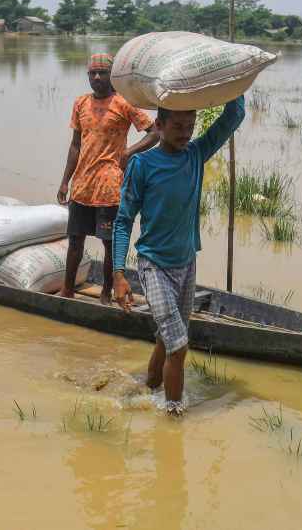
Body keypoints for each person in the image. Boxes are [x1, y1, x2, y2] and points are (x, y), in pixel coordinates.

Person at [111, 96, 246, 416]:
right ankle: (173, 416)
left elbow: (233, 117)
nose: (186, 134)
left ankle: (150, 388)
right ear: (158, 126)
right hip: (153, 266)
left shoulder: (196, 155)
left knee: (166, 339)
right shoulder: (142, 165)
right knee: (178, 344)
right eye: (177, 127)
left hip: (186, 264)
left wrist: (234, 84)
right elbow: (123, 221)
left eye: (190, 126)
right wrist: (118, 274)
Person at [57, 53, 158, 303]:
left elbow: (155, 132)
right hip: (82, 186)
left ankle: (106, 293)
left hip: (110, 188)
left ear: (112, 76)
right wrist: (64, 181)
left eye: (102, 73)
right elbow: (75, 145)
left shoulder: (123, 103)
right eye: (93, 73)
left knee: (109, 244)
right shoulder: (81, 103)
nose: (97, 78)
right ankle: (67, 290)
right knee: (75, 242)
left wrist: (129, 152)